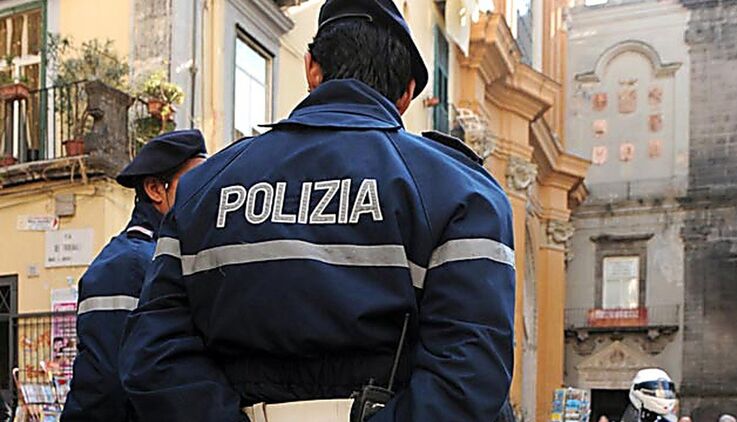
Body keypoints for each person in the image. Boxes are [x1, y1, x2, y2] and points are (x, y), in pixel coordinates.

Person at [119, 0, 516, 421]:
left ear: (311, 68)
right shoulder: (462, 191)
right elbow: (469, 374)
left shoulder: (201, 188)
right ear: (406, 94)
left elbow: (155, 352)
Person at [61, 130, 207, 421]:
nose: (207, 192)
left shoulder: (167, 254)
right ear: (155, 189)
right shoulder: (127, 265)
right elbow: (106, 383)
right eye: (196, 181)